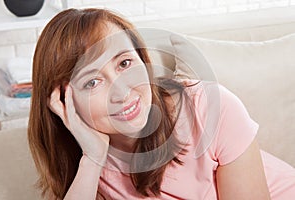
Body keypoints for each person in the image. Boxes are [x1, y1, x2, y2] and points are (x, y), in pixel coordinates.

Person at [28, 8, 295, 200]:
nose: (122, 92)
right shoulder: (88, 158)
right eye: (92, 82)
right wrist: (92, 161)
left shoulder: (211, 108)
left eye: (125, 63)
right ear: (63, 103)